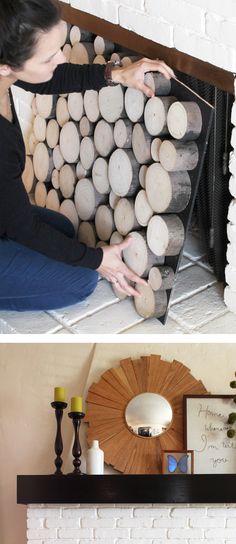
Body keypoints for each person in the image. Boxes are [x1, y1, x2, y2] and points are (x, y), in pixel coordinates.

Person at [0, 0, 174, 311]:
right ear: (6, 66)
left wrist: (117, 74)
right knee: (81, 281)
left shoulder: (7, 69)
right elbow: (22, 228)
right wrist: (97, 261)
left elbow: (49, 78)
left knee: (64, 231)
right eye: (49, 57)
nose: (62, 57)